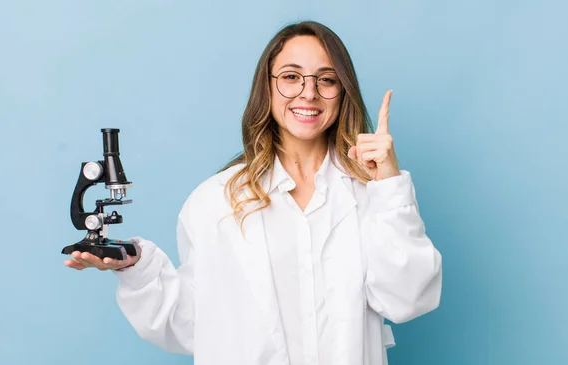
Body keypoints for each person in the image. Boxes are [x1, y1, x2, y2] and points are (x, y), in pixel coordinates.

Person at [64, 20, 442, 365]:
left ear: (342, 93)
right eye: (291, 77)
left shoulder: (368, 194)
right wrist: (136, 267)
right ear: (268, 86)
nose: (308, 93)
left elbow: (407, 299)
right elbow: (191, 324)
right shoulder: (216, 201)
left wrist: (390, 186)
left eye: (326, 79)